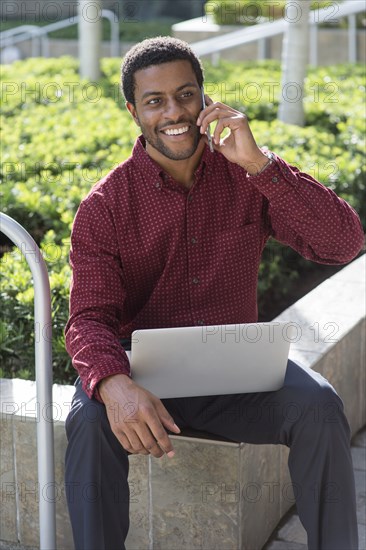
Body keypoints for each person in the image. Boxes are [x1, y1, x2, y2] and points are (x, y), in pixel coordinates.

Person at [64, 37, 363, 550]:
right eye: (155, 101)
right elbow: (88, 318)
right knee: (90, 420)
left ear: (206, 101)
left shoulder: (247, 176)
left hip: (236, 376)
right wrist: (113, 385)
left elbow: (344, 243)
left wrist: (261, 164)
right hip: (145, 379)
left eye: (186, 95)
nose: (174, 111)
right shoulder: (105, 206)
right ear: (134, 111)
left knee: (320, 407)